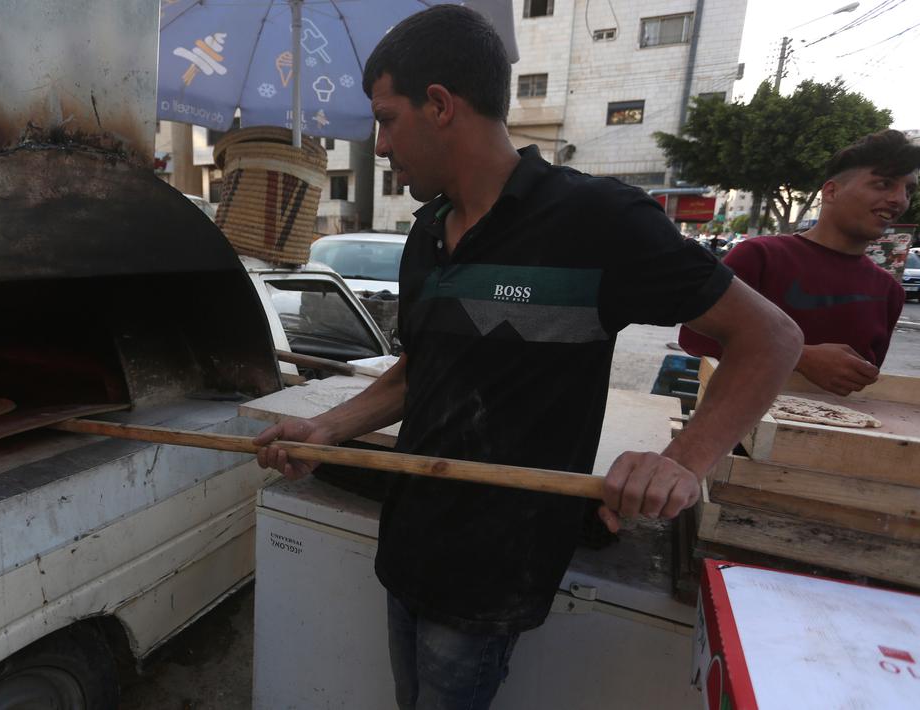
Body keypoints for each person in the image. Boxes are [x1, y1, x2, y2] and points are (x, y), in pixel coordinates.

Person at [254, 6, 802, 710]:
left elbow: (770, 339)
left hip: (495, 570)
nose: (381, 145)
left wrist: (681, 461)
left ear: (440, 105)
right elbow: (421, 372)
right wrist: (325, 428)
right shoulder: (426, 234)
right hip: (408, 540)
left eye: (387, 119)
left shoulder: (596, 220)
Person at [680, 130, 918, 395]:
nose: (900, 200)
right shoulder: (759, 256)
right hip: (736, 418)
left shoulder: (890, 291)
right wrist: (800, 357)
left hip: (843, 421)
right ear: (831, 191)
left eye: (908, 191)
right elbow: (695, 338)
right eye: (884, 184)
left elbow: (861, 386)